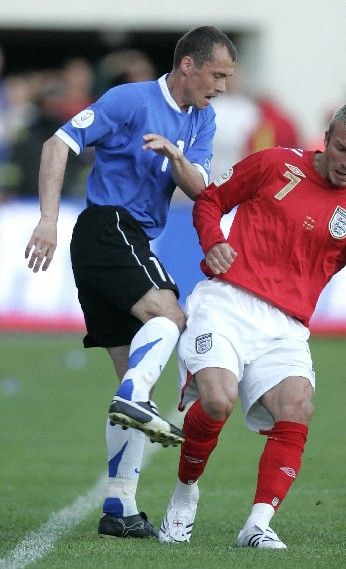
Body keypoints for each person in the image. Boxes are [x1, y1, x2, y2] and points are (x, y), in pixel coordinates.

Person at [158, 100, 346, 548]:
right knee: (218, 400)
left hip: (286, 327)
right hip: (226, 303)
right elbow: (210, 200)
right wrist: (213, 240)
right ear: (328, 137)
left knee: (298, 407)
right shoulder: (276, 163)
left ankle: (257, 524)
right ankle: (184, 494)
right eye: (341, 149)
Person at [24, 26, 236, 539]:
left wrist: (175, 156)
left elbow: (200, 190)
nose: (223, 86)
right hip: (108, 227)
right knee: (170, 319)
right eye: (218, 74)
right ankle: (135, 397)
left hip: (124, 241)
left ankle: (119, 507)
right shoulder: (130, 99)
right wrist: (48, 218)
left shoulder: (202, 119)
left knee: (134, 371)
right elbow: (59, 144)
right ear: (188, 65)